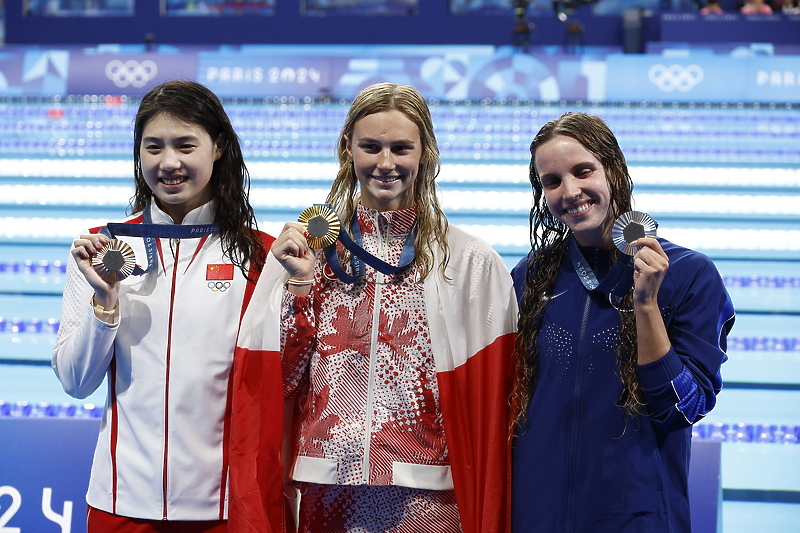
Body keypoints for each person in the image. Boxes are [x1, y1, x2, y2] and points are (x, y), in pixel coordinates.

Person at [266, 82, 517, 533]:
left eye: (401, 147)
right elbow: (279, 379)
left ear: (426, 152)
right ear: (347, 149)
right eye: (371, 146)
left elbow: (496, 395)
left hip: (427, 490)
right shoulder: (311, 250)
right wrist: (300, 286)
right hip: (326, 483)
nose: (386, 163)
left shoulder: (467, 261)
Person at [52, 80, 284, 533]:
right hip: (119, 502)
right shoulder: (102, 249)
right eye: (153, 147)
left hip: (221, 506)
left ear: (217, 148)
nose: (169, 163)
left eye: (185, 145)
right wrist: (105, 301)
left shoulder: (261, 258)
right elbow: (75, 383)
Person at [510, 113, 734, 532]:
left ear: (613, 171)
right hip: (536, 511)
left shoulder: (689, 274)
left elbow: (684, 407)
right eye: (552, 181)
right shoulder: (531, 275)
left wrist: (646, 304)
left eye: (583, 171)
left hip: (636, 513)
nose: (570, 191)